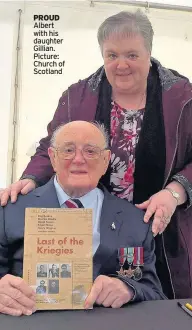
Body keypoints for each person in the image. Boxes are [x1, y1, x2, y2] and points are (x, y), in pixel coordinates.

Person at [1, 10, 192, 298]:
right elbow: (51, 146)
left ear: (149, 53)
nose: (121, 64)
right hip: (90, 217)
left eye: (132, 55)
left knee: (145, 291)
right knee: (79, 286)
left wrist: (175, 192)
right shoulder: (78, 96)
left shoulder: (183, 97)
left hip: (151, 226)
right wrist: (31, 178)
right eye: (112, 55)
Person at [0, 121, 165, 316]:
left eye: (90, 151)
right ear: (52, 157)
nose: (78, 159)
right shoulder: (10, 209)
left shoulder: (135, 222)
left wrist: (129, 289)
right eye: (68, 150)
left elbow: (152, 291)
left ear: (105, 160)